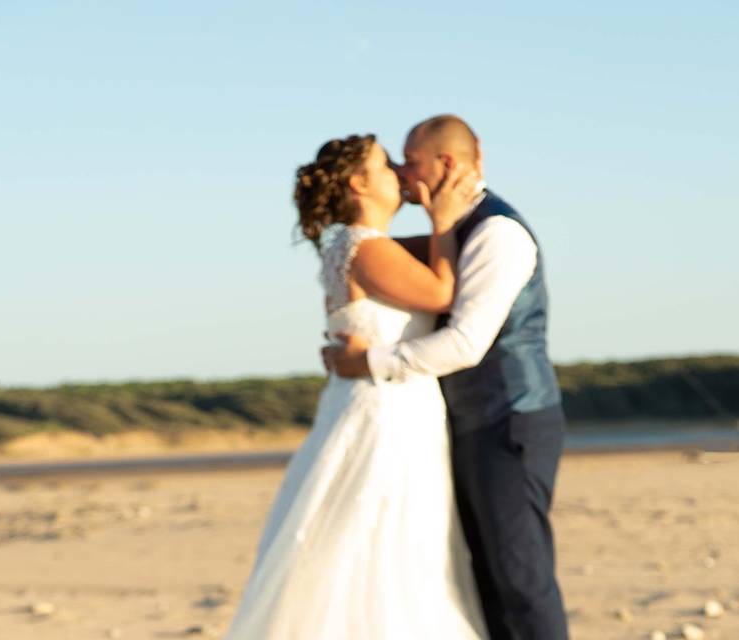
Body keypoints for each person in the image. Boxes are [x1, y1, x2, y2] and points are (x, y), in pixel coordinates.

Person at [225, 133, 488, 639]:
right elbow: (440, 293)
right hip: (384, 414)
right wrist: (444, 221)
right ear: (359, 182)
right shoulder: (363, 244)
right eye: (385, 165)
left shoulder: (362, 245)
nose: (398, 172)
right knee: (380, 540)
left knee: (385, 539)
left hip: (384, 402)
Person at [325, 115, 570, 640]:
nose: (401, 171)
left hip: (511, 418)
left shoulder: (497, 232)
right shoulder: (449, 230)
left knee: (520, 578)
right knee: (483, 576)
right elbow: (369, 257)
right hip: (461, 424)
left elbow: (465, 343)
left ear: (447, 164)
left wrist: (367, 362)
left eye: (410, 162)